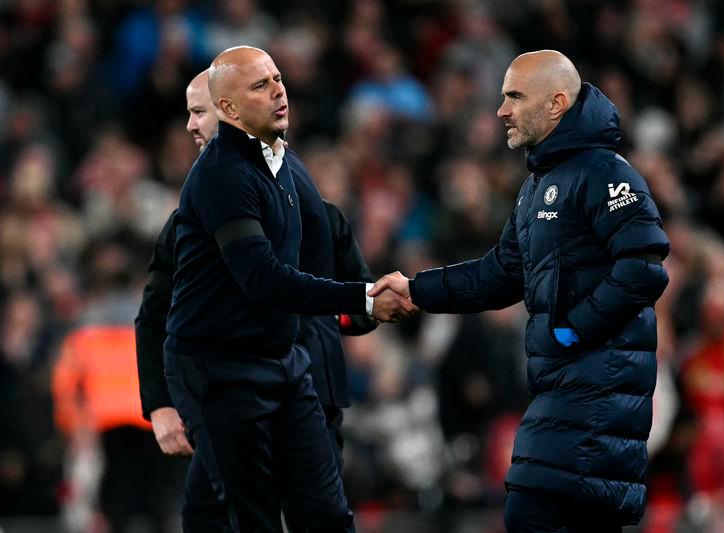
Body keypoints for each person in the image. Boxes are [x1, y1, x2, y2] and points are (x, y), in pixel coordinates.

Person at [370, 50, 670, 532]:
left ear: (556, 103)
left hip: (597, 397)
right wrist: (416, 289)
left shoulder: (606, 173)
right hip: (564, 393)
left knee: (532, 512)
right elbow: (500, 275)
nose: (501, 110)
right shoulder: (538, 185)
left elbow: (645, 268)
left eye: (513, 96)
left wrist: (572, 331)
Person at [164, 46, 413, 532]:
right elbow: (264, 280)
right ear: (230, 110)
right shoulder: (222, 177)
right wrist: (360, 297)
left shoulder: (282, 162)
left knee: (325, 514)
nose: (279, 89)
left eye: (277, 77)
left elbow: (331, 233)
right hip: (221, 367)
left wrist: (359, 302)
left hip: (284, 360)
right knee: (250, 520)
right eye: (260, 85)